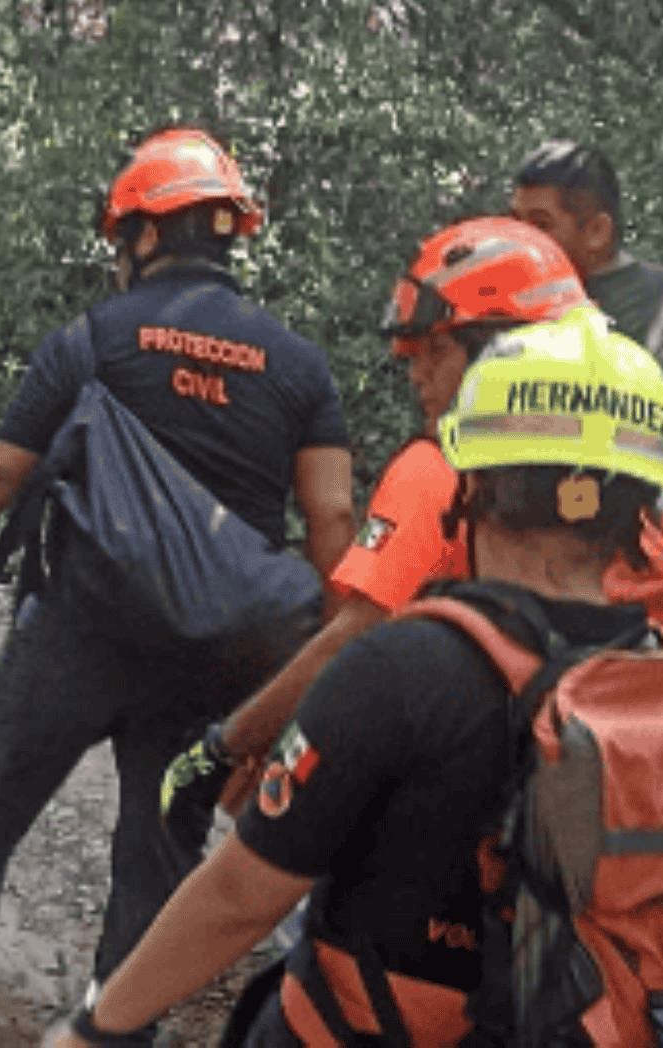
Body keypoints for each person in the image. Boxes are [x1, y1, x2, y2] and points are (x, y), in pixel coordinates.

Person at [44, 306, 663, 1048]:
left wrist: (98, 1029)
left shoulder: (406, 671)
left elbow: (239, 898)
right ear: (645, 511)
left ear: (471, 487)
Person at [0, 126, 354, 1032]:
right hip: (222, 652)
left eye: (120, 238)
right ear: (225, 233)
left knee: (9, 762)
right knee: (164, 831)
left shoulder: (96, 337)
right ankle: (120, 1008)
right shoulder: (298, 367)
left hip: (85, 623)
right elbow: (331, 520)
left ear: (143, 234)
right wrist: (333, 654)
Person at [160, 216, 591, 818]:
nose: (416, 371)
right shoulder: (624, 488)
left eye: (435, 349)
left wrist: (224, 747)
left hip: (446, 813)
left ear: (503, 351)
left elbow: (349, 644)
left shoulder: (439, 470)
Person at [509, 138, 663, 483]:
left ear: (597, 230)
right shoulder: (515, 294)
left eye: (541, 224)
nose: (521, 238)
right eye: (515, 221)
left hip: (620, 527)